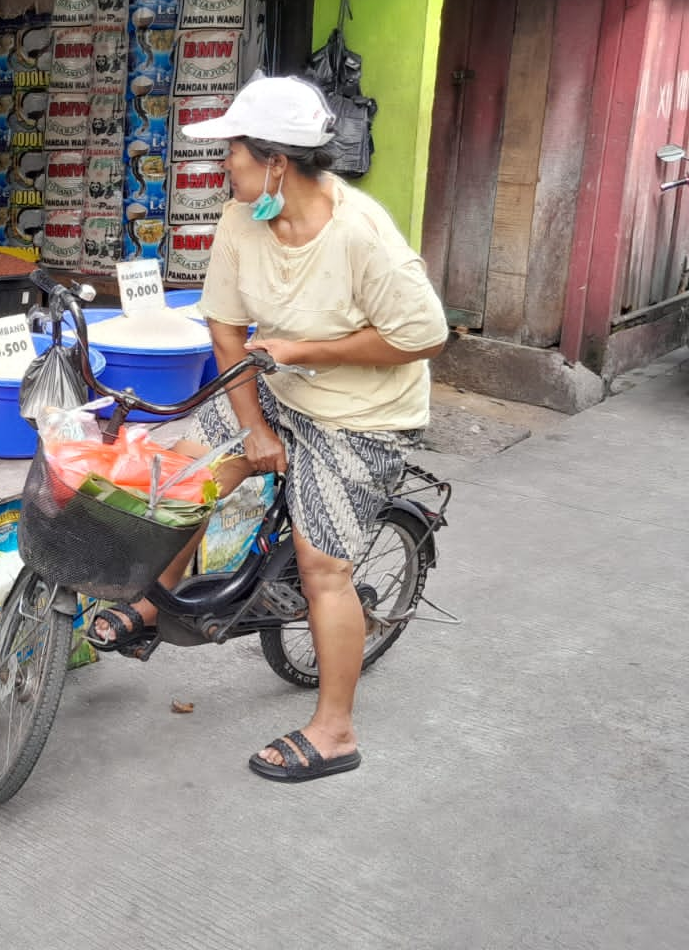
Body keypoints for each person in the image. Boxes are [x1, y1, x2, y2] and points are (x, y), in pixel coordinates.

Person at [88, 75, 448, 783]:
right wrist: (253, 427)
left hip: (360, 414)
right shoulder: (241, 217)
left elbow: (424, 335)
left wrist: (307, 351)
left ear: (276, 161)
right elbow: (224, 325)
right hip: (278, 386)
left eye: (234, 153)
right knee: (184, 468)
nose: (225, 165)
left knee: (324, 570)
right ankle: (155, 604)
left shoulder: (361, 236)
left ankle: (335, 730)